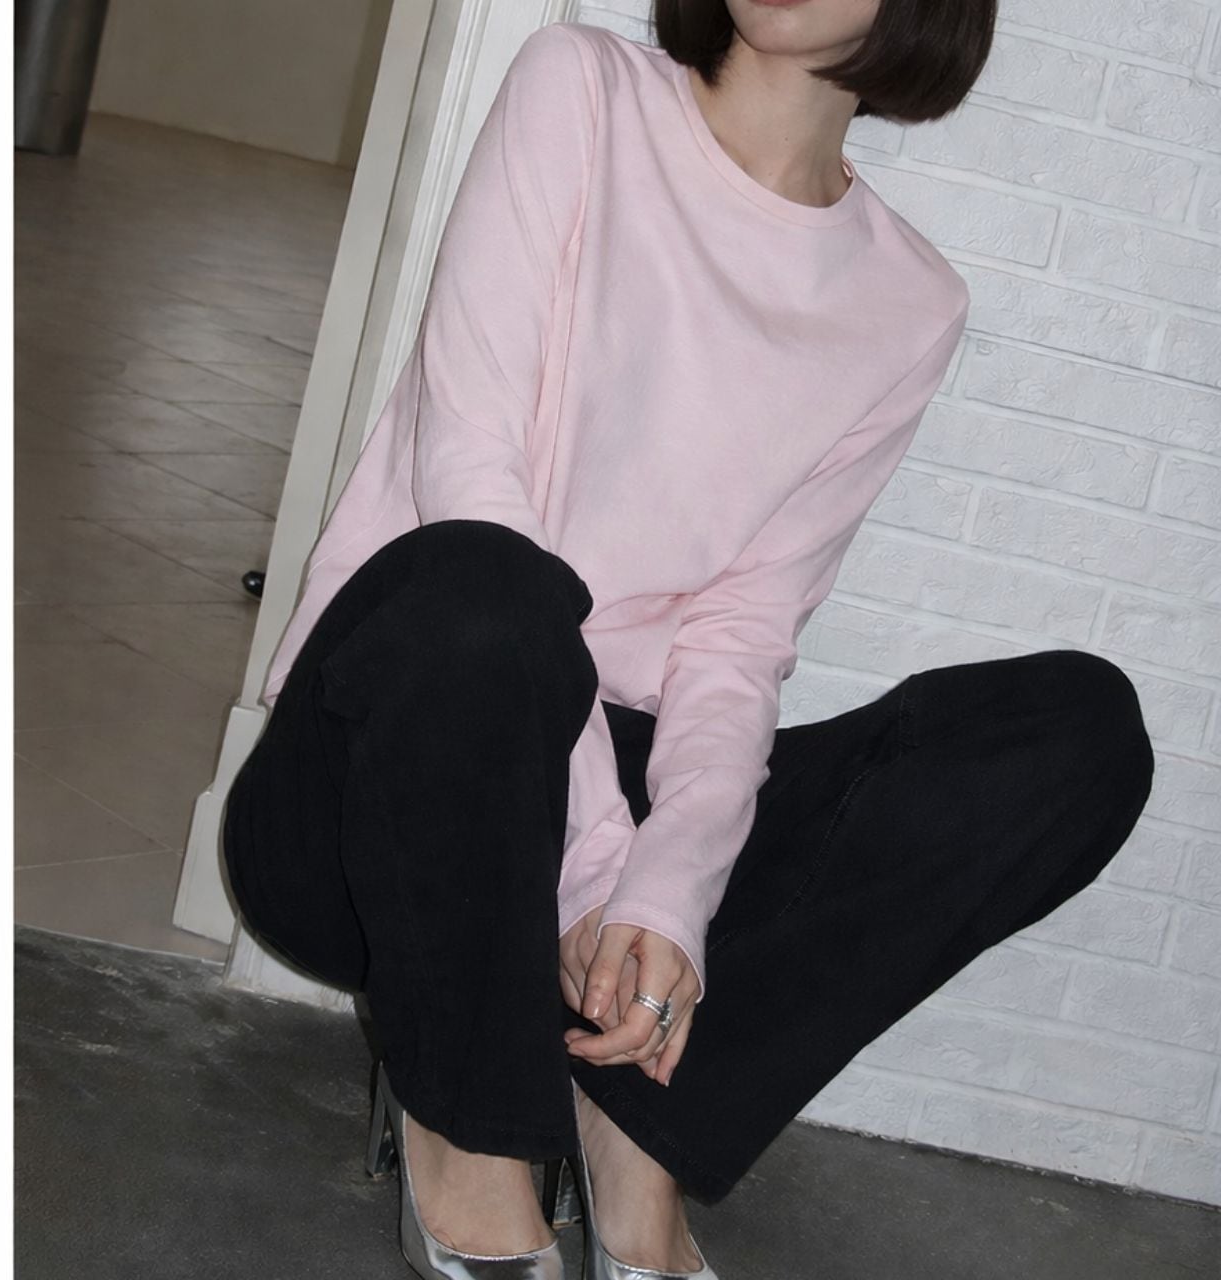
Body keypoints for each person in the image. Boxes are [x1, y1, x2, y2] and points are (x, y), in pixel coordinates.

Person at [223, 3, 1155, 1278]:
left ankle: (634, 1117)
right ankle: (468, 1131)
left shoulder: (907, 301)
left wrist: (669, 889)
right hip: (399, 781)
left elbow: (740, 635)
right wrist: (597, 863)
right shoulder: (580, 90)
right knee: (487, 589)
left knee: (1075, 733)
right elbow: (471, 473)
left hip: (622, 786)